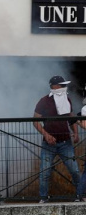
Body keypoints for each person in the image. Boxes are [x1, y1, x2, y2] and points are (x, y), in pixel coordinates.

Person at [33, 75, 80, 203]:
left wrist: (75, 132)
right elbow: (35, 121)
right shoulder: (44, 101)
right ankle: (43, 198)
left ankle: (80, 195)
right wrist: (46, 135)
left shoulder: (67, 99)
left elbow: (71, 117)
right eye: (62, 85)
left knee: (74, 170)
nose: (65, 87)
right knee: (44, 172)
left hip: (65, 142)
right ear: (55, 87)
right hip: (49, 144)